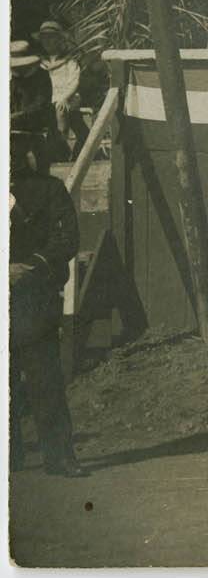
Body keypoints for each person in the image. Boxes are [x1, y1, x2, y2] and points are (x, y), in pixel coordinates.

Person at [10, 125, 87, 477]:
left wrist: (31, 267)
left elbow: (67, 238)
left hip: (34, 296)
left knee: (45, 379)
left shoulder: (50, 190)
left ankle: (59, 457)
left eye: (15, 149)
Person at [33, 22, 84, 162]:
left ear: (59, 39)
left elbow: (74, 82)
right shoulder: (40, 62)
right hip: (47, 100)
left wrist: (64, 98)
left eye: (51, 37)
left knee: (61, 110)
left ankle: (67, 146)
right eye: (44, 38)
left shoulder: (69, 61)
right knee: (50, 123)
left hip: (68, 98)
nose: (47, 41)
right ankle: (59, 149)